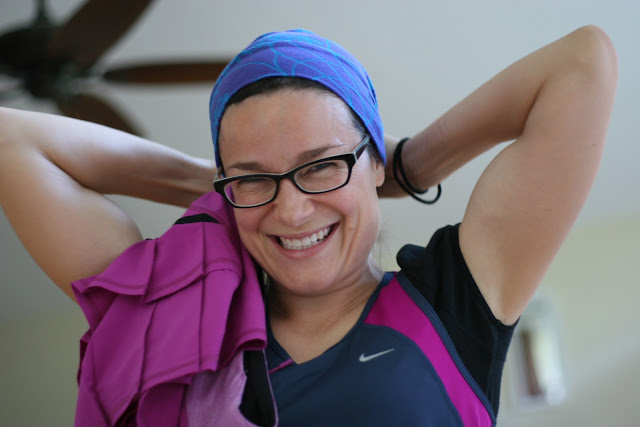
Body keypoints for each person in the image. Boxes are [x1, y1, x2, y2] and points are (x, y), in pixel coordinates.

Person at [0, 26, 617, 426]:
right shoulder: (178, 324)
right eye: (254, 181)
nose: (292, 211)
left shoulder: (456, 303)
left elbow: (583, 61)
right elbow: (11, 140)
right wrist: (217, 181)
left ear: (371, 161)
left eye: (321, 165)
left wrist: (408, 163)